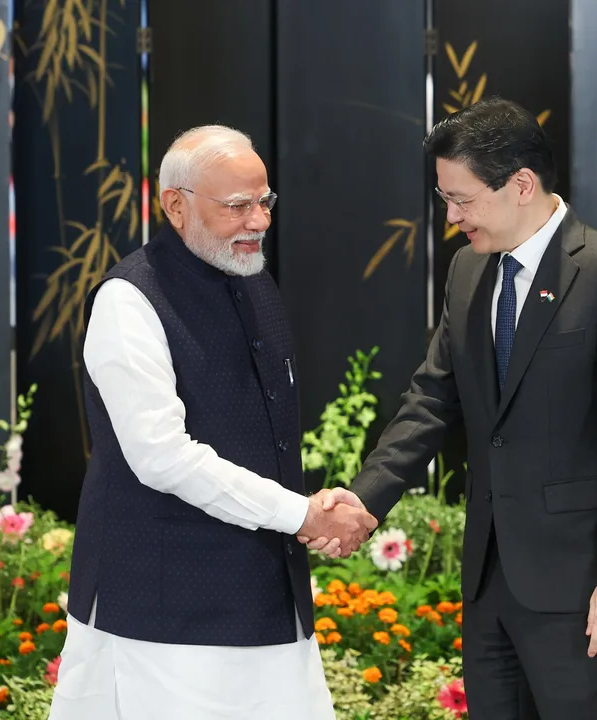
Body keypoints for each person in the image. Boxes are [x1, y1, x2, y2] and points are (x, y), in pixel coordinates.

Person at [303, 98, 597, 719]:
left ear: (521, 184)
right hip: (490, 585)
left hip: (583, 591)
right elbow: (431, 399)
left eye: (462, 199)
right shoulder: (469, 271)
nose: (451, 217)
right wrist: (365, 498)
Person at [48, 125, 377, 720]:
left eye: (265, 201)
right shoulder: (128, 300)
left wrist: (306, 514)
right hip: (162, 613)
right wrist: (301, 513)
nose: (258, 221)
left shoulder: (253, 282)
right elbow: (163, 458)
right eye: (237, 206)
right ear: (175, 205)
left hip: (267, 599)